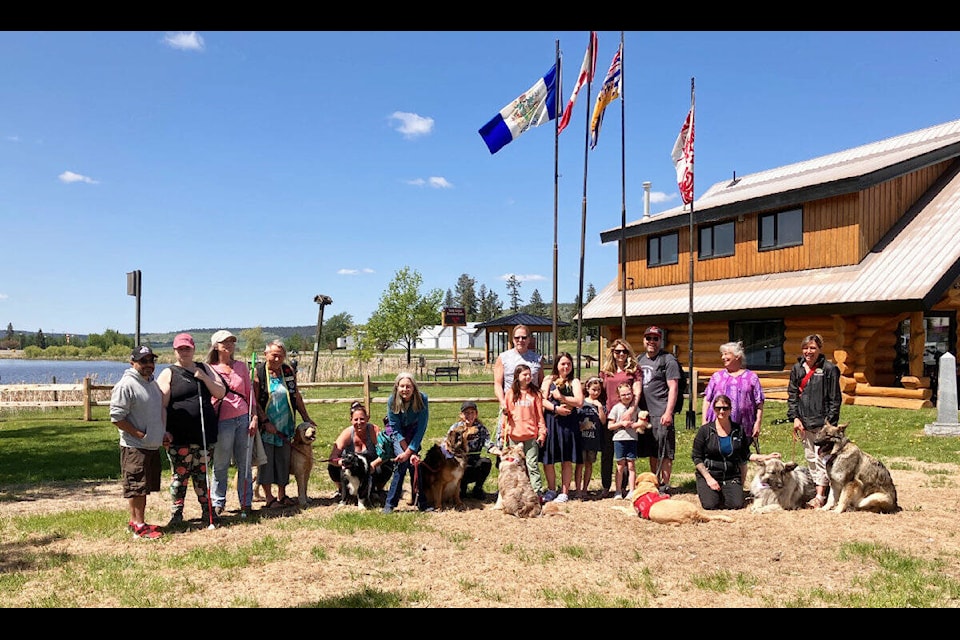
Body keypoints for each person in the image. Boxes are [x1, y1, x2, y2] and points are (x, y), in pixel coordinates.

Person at [156, 333, 226, 528]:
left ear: (194, 349)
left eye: (187, 348)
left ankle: (207, 512)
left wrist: (203, 377)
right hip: (178, 435)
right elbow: (161, 405)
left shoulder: (205, 369)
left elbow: (220, 393)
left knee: (202, 474)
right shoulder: (169, 373)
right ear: (175, 350)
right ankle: (176, 513)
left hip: (204, 433)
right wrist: (163, 431)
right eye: (180, 349)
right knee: (180, 476)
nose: (184, 352)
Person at [111, 345, 171, 539]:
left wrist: (161, 433)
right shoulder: (126, 385)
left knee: (143, 487)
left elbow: (154, 413)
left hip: (151, 445)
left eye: (151, 361)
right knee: (136, 486)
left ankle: (137, 521)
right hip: (135, 446)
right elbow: (117, 418)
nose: (148, 365)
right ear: (132, 363)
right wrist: (138, 434)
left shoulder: (151, 383)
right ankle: (139, 525)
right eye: (143, 361)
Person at [253, 339, 316, 510]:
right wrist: (264, 421)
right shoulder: (259, 372)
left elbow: (296, 396)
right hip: (267, 426)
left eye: (281, 356)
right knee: (266, 461)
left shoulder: (287, 371)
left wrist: (306, 417)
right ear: (266, 355)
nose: (277, 359)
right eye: (274, 355)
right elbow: (254, 400)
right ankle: (268, 497)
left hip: (285, 425)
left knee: (283, 460)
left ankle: (282, 494)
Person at [692, 394, 780, 510]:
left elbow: (746, 455)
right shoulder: (705, 431)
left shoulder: (738, 430)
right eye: (718, 408)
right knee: (710, 505)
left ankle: (726, 491)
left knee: (735, 505)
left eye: (725, 408)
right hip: (710, 474)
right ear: (714, 410)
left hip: (730, 476)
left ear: (730, 410)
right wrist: (709, 478)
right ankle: (710, 490)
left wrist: (765, 457)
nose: (722, 411)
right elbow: (696, 457)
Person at [786, 333, 842, 509]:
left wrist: (829, 425)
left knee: (822, 460)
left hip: (822, 424)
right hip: (803, 422)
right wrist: (795, 418)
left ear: (819, 349)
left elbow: (835, 399)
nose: (808, 351)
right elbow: (792, 396)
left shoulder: (829, 369)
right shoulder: (797, 369)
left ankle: (821, 496)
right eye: (806, 347)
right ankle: (820, 493)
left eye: (812, 348)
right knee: (810, 457)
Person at [207, 330, 257, 518]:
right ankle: (218, 501)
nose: (228, 345)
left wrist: (253, 416)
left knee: (244, 463)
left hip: (243, 418)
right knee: (221, 463)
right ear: (216, 346)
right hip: (222, 420)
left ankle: (246, 502)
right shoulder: (209, 369)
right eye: (224, 342)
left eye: (231, 342)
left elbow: (249, 392)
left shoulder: (241, 367)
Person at [382, 372, 433, 514]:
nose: (405, 389)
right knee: (403, 463)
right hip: (399, 435)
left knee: (414, 464)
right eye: (402, 386)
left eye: (408, 386)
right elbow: (395, 429)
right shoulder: (392, 401)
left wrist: (410, 452)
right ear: (397, 387)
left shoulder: (422, 399)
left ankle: (421, 503)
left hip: (414, 432)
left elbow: (421, 428)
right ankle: (390, 505)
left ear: (414, 388)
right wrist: (407, 453)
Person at [637, 326, 680, 491]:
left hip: (661, 412)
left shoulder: (668, 360)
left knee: (666, 451)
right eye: (649, 338)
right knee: (652, 450)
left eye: (655, 339)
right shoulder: (640, 359)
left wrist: (669, 412)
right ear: (644, 340)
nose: (651, 342)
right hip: (645, 414)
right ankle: (655, 483)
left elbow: (673, 387)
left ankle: (666, 484)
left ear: (660, 341)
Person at [598, 338, 642, 498]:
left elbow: (637, 391)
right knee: (607, 452)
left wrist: (631, 410)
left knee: (625, 455)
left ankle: (623, 487)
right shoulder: (605, 371)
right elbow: (599, 392)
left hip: (627, 415)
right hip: (610, 416)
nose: (621, 354)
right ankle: (605, 486)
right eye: (617, 351)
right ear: (612, 353)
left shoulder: (634, 370)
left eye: (624, 351)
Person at [701, 341, 765, 444]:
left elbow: (759, 402)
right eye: (722, 354)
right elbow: (707, 399)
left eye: (726, 354)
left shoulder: (751, 377)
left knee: (741, 458)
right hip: (718, 427)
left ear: (737, 356)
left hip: (744, 428)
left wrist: (757, 424)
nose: (723, 357)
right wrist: (704, 422)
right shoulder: (717, 377)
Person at [539, 352, 583, 503]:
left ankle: (564, 492)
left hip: (569, 423)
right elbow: (541, 400)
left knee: (567, 458)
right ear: (556, 365)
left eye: (568, 364)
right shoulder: (548, 380)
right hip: (552, 420)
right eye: (563, 363)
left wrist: (561, 398)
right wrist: (556, 408)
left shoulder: (574, 382)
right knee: (548, 458)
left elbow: (579, 401)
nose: (566, 367)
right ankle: (551, 489)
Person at [328, 402, 392, 499]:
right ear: (351, 420)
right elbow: (332, 458)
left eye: (362, 419)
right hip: (350, 468)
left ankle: (377, 489)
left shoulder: (374, 430)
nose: (359, 422)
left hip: (370, 468)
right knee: (332, 468)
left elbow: (386, 453)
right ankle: (342, 490)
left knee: (387, 466)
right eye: (356, 419)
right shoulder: (347, 433)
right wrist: (342, 462)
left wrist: (373, 465)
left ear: (367, 418)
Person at [494, 324, 543, 444]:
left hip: (531, 410)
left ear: (529, 339)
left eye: (524, 337)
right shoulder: (504, 357)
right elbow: (498, 383)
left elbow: (541, 383)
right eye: (517, 338)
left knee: (531, 448)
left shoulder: (537, 359)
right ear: (512, 339)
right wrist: (502, 402)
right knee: (505, 445)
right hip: (511, 408)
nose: (520, 340)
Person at [503, 363, 547, 497]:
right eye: (525, 374)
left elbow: (539, 415)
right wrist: (503, 433)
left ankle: (536, 493)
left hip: (530, 435)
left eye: (530, 374)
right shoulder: (511, 394)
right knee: (515, 466)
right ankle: (515, 492)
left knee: (532, 465)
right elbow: (507, 417)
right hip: (514, 435)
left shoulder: (535, 394)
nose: (528, 377)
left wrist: (542, 432)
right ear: (517, 376)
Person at [447, 400, 496, 500]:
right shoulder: (455, 428)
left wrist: (499, 452)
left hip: (474, 461)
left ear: (476, 414)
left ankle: (478, 489)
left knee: (486, 462)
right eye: (466, 413)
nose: (469, 415)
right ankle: (460, 488)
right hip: (458, 461)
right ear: (461, 415)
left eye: (472, 412)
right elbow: (447, 444)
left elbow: (489, 444)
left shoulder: (481, 429)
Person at [608, 382, 641, 500]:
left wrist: (633, 425)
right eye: (623, 395)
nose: (627, 397)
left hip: (632, 439)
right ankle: (618, 490)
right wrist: (621, 423)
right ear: (619, 396)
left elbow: (642, 422)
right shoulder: (616, 408)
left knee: (631, 465)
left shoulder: (635, 409)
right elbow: (610, 426)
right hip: (619, 439)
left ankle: (632, 490)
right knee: (620, 466)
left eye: (629, 394)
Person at [575, 376, 606, 497]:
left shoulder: (600, 404)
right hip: (582, 439)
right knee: (580, 464)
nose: (596, 392)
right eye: (594, 389)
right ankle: (577, 489)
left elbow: (603, 422)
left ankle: (584, 489)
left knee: (589, 464)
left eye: (598, 390)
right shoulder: (582, 402)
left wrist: (599, 408)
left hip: (593, 439)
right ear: (587, 388)